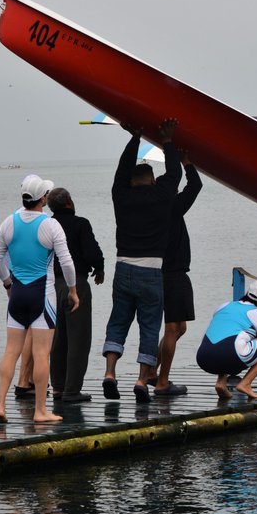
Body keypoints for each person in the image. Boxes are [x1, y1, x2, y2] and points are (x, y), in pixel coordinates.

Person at [102, 119, 181, 403]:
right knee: (149, 326)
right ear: (151, 180)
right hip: (151, 271)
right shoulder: (162, 196)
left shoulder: (120, 196)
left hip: (123, 268)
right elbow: (175, 174)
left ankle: (110, 373)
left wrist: (135, 138)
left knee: (118, 322)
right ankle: (140, 380)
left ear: (131, 182)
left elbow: (120, 172)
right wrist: (169, 141)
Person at [0, 175, 80, 424]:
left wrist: (8, 282)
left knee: (10, 352)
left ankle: (0, 406)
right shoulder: (51, 226)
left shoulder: (9, 222)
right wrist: (72, 290)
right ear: (44, 198)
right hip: (42, 296)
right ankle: (40, 411)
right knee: (42, 354)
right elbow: (67, 262)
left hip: (17, 295)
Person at [147, 150, 202, 396]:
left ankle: (151, 371)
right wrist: (186, 161)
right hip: (173, 273)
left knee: (180, 327)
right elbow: (195, 184)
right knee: (172, 328)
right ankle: (162, 382)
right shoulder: (172, 208)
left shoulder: (150, 210)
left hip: (160, 273)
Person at [47, 187, 105, 403]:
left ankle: (58, 387)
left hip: (52, 285)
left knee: (58, 339)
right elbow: (92, 252)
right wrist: (99, 268)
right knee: (78, 339)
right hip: (76, 284)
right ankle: (72, 390)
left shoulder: (47, 225)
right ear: (69, 201)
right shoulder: (80, 223)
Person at [197, 279, 257, 400]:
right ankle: (245, 383)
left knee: (226, 339)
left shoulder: (224, 306)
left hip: (203, 358)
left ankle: (221, 383)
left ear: (248, 292)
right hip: (232, 356)